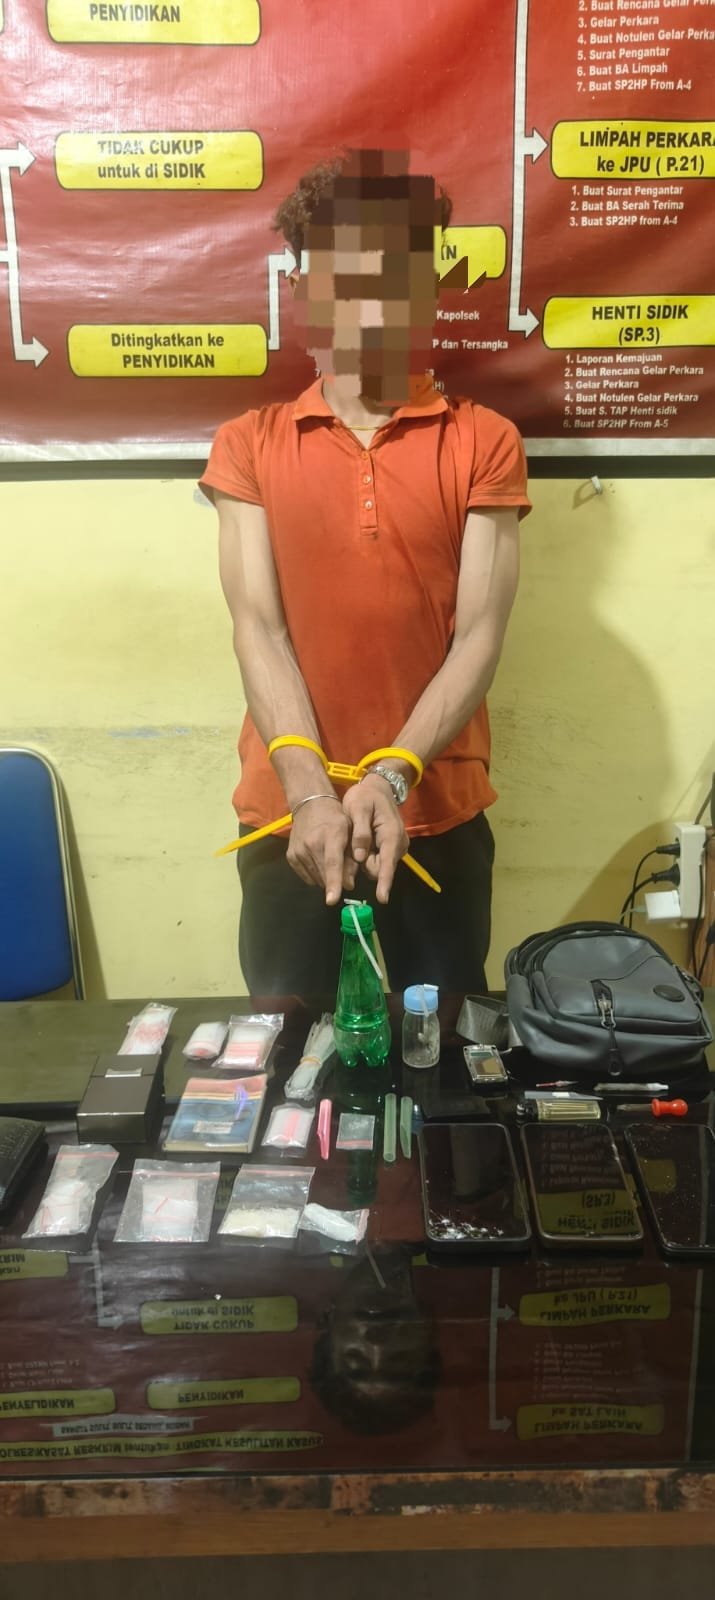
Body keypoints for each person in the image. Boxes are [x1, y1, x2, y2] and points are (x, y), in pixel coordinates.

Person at [200, 149, 531, 997]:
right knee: (286, 1049)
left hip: (434, 816)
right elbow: (257, 628)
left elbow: (478, 636)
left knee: (440, 1049)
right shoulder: (248, 444)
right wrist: (309, 790)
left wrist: (391, 773)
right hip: (287, 818)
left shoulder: (483, 440)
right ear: (303, 286)